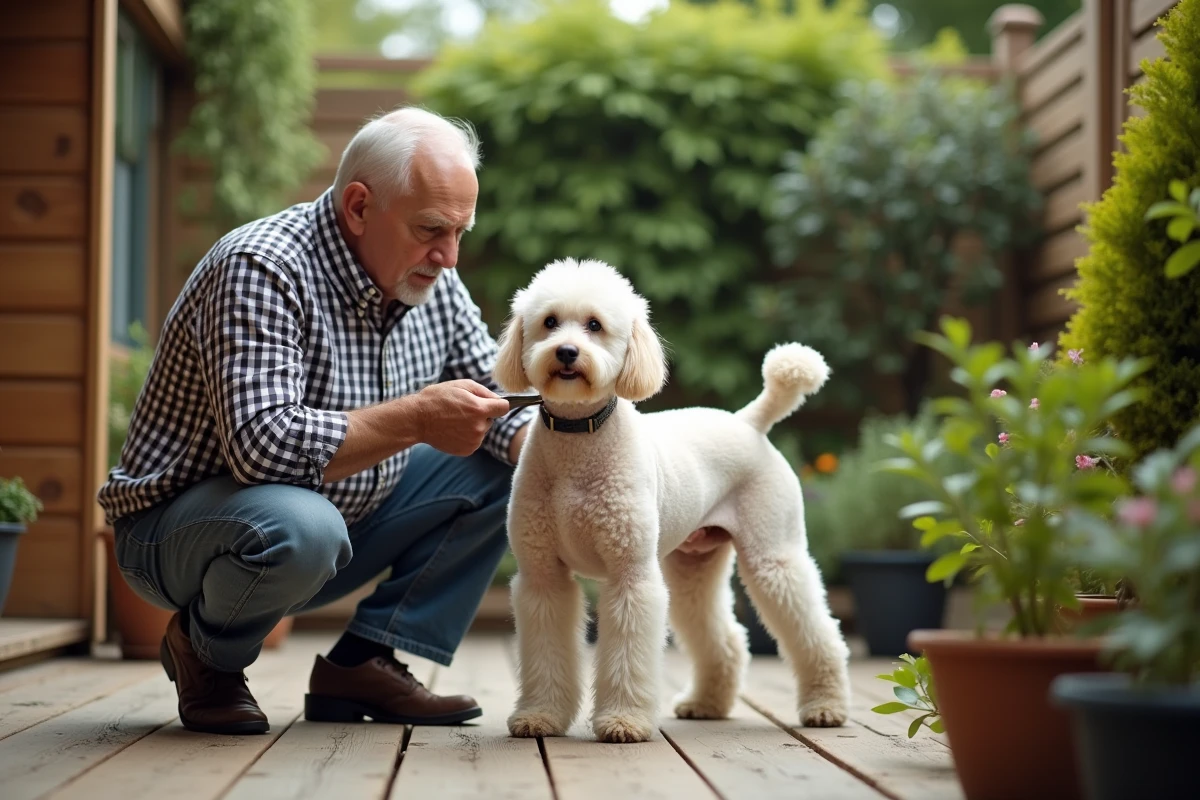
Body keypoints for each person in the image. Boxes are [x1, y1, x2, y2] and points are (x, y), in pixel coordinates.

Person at [97, 106, 536, 735]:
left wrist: (597, 481)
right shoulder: (261, 267)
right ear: (358, 207)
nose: (449, 256)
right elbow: (262, 448)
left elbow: (498, 400)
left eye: (461, 231)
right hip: (179, 537)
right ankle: (206, 657)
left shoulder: (430, 277)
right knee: (305, 525)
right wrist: (415, 419)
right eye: (432, 229)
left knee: (514, 469)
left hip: (337, 527)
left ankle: (364, 662)